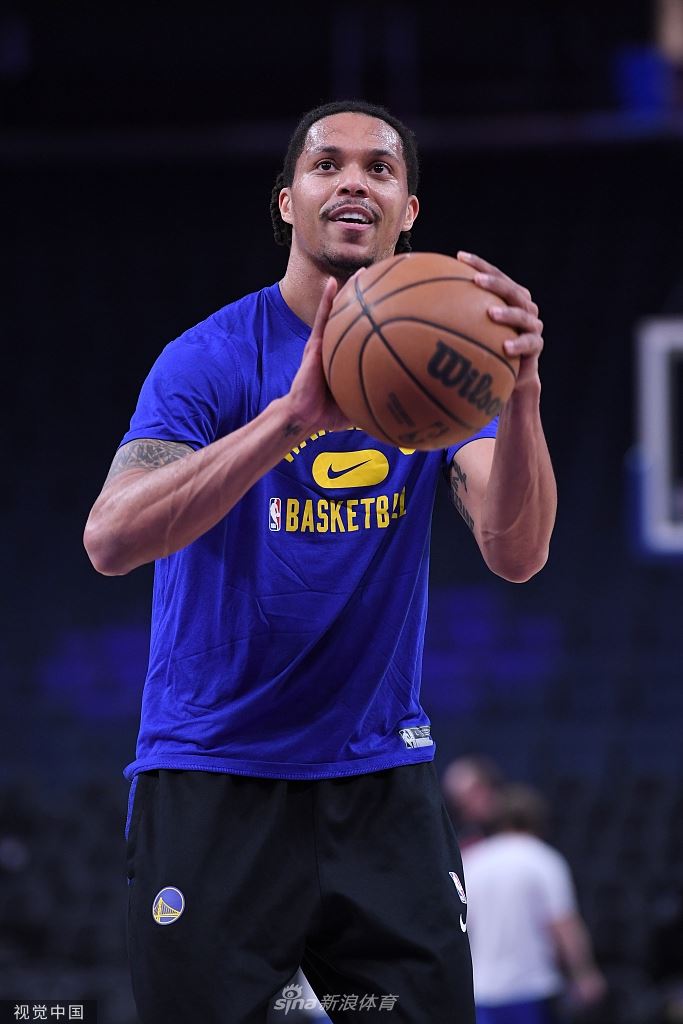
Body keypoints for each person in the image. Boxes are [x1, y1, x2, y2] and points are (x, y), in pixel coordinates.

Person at [83, 98, 557, 1023]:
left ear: (407, 210)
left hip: (376, 779)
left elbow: (518, 553)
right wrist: (290, 421)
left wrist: (523, 386)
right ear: (287, 201)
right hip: (214, 773)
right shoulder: (209, 360)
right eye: (325, 164)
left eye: (379, 168)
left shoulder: (444, 366)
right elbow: (111, 539)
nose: (352, 182)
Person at [462, 784, 607, 1024]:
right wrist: (584, 973)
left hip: (481, 991)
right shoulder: (544, 861)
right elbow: (563, 924)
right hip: (531, 989)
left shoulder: (472, 862)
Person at [442, 755, 506, 850]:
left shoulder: (520, 821)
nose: (469, 810)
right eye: (462, 807)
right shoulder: (466, 845)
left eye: (474, 795)